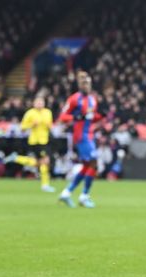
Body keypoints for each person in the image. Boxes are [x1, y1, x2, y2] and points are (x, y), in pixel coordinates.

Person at [57, 71, 102, 208]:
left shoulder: (93, 99)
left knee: (87, 166)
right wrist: (75, 118)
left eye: (88, 83)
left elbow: (91, 117)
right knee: (94, 163)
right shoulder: (74, 99)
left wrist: (100, 117)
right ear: (79, 85)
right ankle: (84, 196)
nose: (86, 85)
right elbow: (62, 117)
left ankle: (66, 193)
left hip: (89, 135)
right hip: (80, 136)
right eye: (84, 83)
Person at [5, 96, 56, 192]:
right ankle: (45, 185)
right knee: (45, 161)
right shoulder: (30, 113)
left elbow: (50, 125)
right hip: (35, 141)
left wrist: (49, 126)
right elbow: (22, 128)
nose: (40, 104)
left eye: (42, 102)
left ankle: (17, 158)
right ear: (34, 103)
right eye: (38, 102)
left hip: (45, 140)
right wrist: (32, 125)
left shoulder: (48, 112)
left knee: (38, 163)